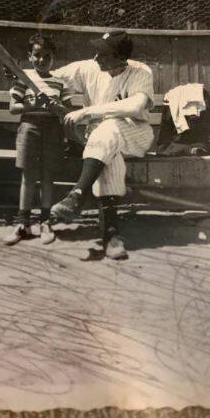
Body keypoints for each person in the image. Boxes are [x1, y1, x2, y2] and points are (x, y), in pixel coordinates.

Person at [51, 30, 154, 259]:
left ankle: (78, 194)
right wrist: (21, 77)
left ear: (121, 58)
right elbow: (51, 76)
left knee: (108, 130)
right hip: (102, 141)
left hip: (135, 133)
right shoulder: (89, 67)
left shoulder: (140, 71)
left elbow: (136, 107)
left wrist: (87, 111)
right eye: (97, 51)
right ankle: (111, 235)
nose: (97, 57)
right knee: (109, 154)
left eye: (104, 54)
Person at [4, 34, 71, 245]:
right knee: (28, 177)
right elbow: (13, 108)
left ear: (53, 58)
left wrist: (51, 103)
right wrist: (33, 104)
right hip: (29, 128)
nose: (42, 60)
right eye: (37, 55)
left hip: (53, 131)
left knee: (47, 177)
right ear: (30, 56)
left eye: (47, 56)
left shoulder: (60, 82)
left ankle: (45, 222)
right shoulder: (22, 77)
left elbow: (65, 111)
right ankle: (22, 224)